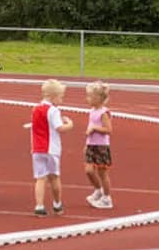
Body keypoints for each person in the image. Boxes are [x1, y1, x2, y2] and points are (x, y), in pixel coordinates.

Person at [29, 78, 73, 216]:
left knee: (40, 178)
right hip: (51, 148)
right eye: (60, 97)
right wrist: (70, 124)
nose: (62, 99)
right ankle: (57, 204)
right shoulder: (53, 110)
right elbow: (59, 128)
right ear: (53, 96)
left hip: (37, 148)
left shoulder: (36, 109)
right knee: (54, 177)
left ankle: (39, 205)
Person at [83, 81, 114, 209]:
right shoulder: (92, 111)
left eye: (89, 96)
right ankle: (98, 190)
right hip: (91, 145)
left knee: (102, 173)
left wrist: (95, 128)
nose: (87, 98)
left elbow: (109, 130)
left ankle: (107, 198)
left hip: (101, 146)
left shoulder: (103, 113)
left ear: (98, 98)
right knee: (89, 170)